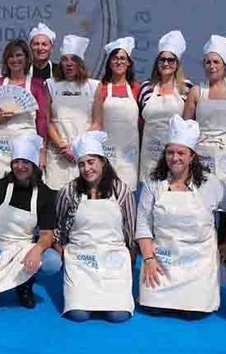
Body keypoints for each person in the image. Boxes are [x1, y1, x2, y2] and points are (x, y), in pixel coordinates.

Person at [136, 115, 226, 318]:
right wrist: (149, 259)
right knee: (153, 309)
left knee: (192, 314)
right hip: (161, 262)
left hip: (198, 266)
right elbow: (143, 224)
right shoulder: (154, 183)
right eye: (170, 152)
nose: (175, 158)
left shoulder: (210, 184)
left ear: (192, 156)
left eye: (181, 153)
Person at [0, 134, 61, 317]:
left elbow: (47, 233)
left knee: (52, 261)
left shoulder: (46, 195)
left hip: (20, 249)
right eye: (16, 162)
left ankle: (24, 283)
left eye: (25, 162)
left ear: (34, 164)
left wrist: (37, 250)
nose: (20, 167)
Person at [56, 131, 136, 323]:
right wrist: (65, 258)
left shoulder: (121, 190)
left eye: (91, 162)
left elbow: (131, 232)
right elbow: (58, 229)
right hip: (81, 260)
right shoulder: (69, 191)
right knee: (78, 315)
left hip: (113, 261)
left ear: (103, 162)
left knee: (119, 315)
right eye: (81, 164)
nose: (86, 169)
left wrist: (128, 266)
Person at [183, 34, 226, 188]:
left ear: (224, 65)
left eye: (216, 62)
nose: (212, 66)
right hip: (203, 158)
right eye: (208, 62)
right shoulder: (196, 92)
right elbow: (186, 130)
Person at [0, 39, 48, 185]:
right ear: (6, 60)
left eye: (19, 55)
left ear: (26, 58)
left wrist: (42, 151)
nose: (15, 60)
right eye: (10, 56)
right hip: (2, 143)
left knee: (27, 185)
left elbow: (42, 120)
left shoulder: (37, 85)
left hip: (28, 141)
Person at [45, 35, 99, 189]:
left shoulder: (94, 86)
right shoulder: (50, 85)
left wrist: (77, 148)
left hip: (83, 155)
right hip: (57, 155)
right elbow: (47, 120)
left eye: (73, 59)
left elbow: (97, 122)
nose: (69, 64)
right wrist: (62, 147)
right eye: (65, 59)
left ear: (80, 63)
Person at [138, 30, 189, 184]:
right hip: (149, 157)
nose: (166, 63)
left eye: (171, 60)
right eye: (162, 59)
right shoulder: (146, 88)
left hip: (175, 158)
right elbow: (140, 123)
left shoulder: (187, 88)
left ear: (177, 64)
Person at [90, 37, 141, 191]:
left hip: (129, 154)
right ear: (109, 63)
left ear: (129, 63)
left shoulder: (137, 89)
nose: (119, 62)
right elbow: (96, 120)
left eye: (122, 58)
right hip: (107, 151)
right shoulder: (101, 88)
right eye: (115, 58)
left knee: (127, 193)